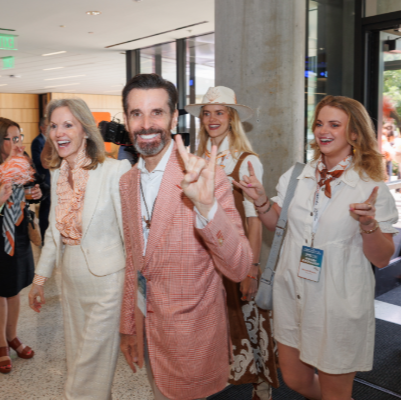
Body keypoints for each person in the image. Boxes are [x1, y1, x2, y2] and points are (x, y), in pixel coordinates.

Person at [236, 95, 398, 399]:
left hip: (337, 301)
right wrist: (260, 199)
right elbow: (276, 222)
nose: (323, 130)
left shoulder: (370, 185)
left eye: (334, 124)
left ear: (354, 133)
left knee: (336, 392)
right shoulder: (298, 175)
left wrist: (368, 226)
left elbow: (382, 257)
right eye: (320, 123)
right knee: (295, 379)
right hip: (293, 293)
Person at [119, 73, 253, 400]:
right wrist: (128, 326)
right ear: (126, 120)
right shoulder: (127, 183)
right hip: (150, 333)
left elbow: (239, 267)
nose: (146, 124)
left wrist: (206, 206)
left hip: (193, 342)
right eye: (137, 113)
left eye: (157, 113)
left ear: (174, 118)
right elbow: (133, 262)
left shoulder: (207, 178)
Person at [28, 98, 131, 399]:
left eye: (68, 124)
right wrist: (39, 279)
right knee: (84, 368)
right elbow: (52, 233)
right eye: (54, 125)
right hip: (70, 284)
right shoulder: (57, 174)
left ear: (85, 130)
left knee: (83, 381)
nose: (59, 132)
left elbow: (130, 236)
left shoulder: (115, 171)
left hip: (108, 285)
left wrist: (133, 296)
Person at [185, 86, 278, 399]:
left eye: (219, 112)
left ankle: (261, 385)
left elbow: (254, 220)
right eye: (207, 113)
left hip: (237, 257)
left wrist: (251, 267)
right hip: (206, 260)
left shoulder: (246, 161)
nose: (212, 118)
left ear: (232, 118)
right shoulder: (197, 161)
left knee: (249, 323)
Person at [0, 117, 46, 374]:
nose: (18, 143)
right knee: (0, 292)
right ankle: (1, 347)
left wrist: (36, 193)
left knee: (14, 288)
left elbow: (35, 186)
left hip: (18, 232)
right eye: (12, 138)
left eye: (19, 138)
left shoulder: (22, 160)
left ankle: (12, 336)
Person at [31, 117, 51, 243]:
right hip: (43, 180)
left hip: (51, 179)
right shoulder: (37, 141)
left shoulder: (51, 141)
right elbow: (39, 161)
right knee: (45, 210)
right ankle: (43, 237)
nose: (49, 128)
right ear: (42, 127)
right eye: (48, 125)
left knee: (50, 209)